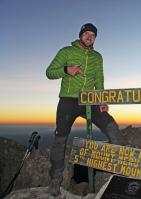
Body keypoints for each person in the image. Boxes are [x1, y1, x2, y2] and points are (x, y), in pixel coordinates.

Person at [46, 23, 123, 196]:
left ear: (95, 38)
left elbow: (99, 79)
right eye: (86, 33)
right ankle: (55, 181)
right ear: (80, 35)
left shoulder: (97, 57)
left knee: (112, 128)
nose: (89, 37)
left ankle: (120, 173)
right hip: (68, 100)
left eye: (93, 35)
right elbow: (49, 72)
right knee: (60, 140)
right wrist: (67, 70)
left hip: (90, 100)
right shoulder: (66, 51)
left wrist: (102, 99)